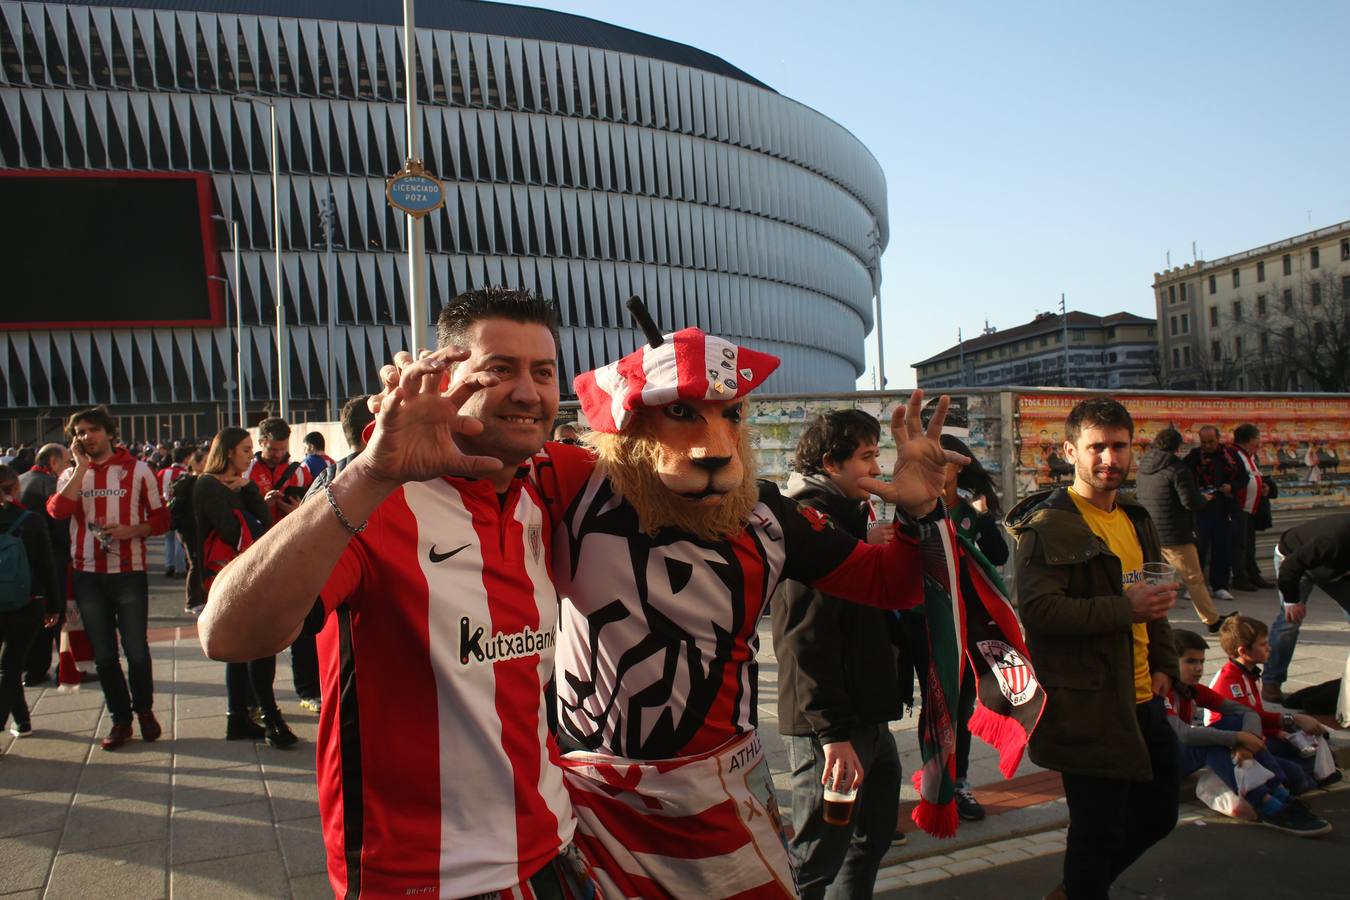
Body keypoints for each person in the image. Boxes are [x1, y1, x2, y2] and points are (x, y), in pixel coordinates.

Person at [201, 289, 598, 898]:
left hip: (551, 850)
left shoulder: (544, 487)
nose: (529, 392)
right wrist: (371, 471)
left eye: (542, 372)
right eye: (499, 369)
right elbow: (227, 634)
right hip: (420, 878)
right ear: (446, 381)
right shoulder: (377, 502)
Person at [1006, 397, 1181, 900]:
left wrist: (1165, 661)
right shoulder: (1048, 527)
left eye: (1119, 446)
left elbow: (1155, 601)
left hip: (1145, 696)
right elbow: (1039, 613)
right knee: (1095, 832)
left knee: (1159, 813)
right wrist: (1124, 608)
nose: (1110, 459)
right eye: (1097, 447)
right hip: (1091, 705)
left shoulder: (1135, 516)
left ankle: (1074, 892)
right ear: (1070, 451)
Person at [773, 409, 903, 898]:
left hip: (868, 716)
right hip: (830, 731)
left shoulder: (849, 517)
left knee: (868, 841)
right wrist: (832, 734)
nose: (877, 470)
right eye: (867, 458)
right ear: (831, 462)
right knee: (814, 857)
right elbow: (803, 639)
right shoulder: (807, 523)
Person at [47, 407, 169, 750]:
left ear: (110, 433)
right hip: (87, 574)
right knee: (103, 656)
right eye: (81, 432)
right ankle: (120, 720)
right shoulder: (72, 474)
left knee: (137, 650)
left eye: (93, 430)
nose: (87, 437)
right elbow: (58, 512)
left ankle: (144, 710)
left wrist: (133, 529)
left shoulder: (139, 470)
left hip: (129, 572)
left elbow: (161, 520)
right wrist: (81, 468)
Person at [1167, 629, 1329, 835]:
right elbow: (1185, 735)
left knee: (1234, 723)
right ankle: (1269, 806)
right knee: (1209, 743)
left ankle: (1280, 797)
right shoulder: (1161, 691)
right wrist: (1238, 738)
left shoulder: (1194, 688)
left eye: (1201, 662)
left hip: (1188, 751)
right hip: (1158, 763)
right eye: (1191, 662)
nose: (1198, 669)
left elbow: (1246, 713)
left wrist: (1247, 741)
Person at [196, 428, 296, 748]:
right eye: (244, 449)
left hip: (250, 573)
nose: (249, 455)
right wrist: (240, 496)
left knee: (248, 647)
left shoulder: (243, 485)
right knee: (256, 645)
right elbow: (230, 531)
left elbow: (265, 528)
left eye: (251, 449)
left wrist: (250, 489)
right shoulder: (207, 485)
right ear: (226, 452)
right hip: (227, 577)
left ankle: (239, 716)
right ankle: (267, 715)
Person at [1207, 615, 1338, 788]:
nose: (1269, 648)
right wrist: (1293, 718)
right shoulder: (1230, 681)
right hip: (1238, 745)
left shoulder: (1251, 673)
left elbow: (1259, 715)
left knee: (1311, 741)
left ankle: (1304, 771)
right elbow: (1248, 719)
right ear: (1243, 652)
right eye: (1263, 645)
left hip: (1258, 736)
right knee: (1298, 776)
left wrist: (1278, 731)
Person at [248, 417, 319, 713]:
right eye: (273, 449)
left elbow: (312, 509)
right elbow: (241, 517)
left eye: (283, 448)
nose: (279, 453)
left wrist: (296, 509)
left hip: (293, 553)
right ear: (261, 443)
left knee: (302, 628)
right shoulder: (249, 470)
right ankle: (258, 701)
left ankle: (307, 691)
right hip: (260, 556)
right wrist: (262, 507)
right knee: (260, 632)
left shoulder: (300, 471)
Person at [1135, 427, 1233, 634]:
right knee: (1194, 578)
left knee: (1157, 581)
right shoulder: (1177, 469)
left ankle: (1154, 621)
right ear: (1177, 447)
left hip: (1151, 532)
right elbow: (1190, 502)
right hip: (1175, 533)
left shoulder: (1143, 467)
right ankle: (1212, 620)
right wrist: (1203, 498)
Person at [1261, 513, 1350, 704]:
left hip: (1333, 570)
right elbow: (1290, 568)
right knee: (1289, 621)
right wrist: (1292, 601)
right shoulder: (1333, 540)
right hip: (1293, 560)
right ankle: (1271, 681)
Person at [0, 464, 60, 738]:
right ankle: (18, 721)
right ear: (15, 489)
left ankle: (22, 721)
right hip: (28, 600)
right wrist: (53, 605)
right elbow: (48, 566)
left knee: (7, 669)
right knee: (12, 665)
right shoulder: (31, 520)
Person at [18, 443, 70, 686]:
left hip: (20, 560)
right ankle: (65, 666)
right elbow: (61, 528)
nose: (68, 466)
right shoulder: (51, 485)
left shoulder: (20, 480)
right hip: (51, 557)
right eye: (66, 462)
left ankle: (32, 668)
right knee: (56, 611)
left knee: (33, 613)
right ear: (53, 462)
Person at [1184, 426, 1239, 601]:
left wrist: (1231, 487)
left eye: (1211, 442)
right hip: (1201, 509)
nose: (1207, 446)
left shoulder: (1229, 456)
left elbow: (1242, 478)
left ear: (1218, 439)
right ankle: (1195, 587)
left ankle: (1220, 586)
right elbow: (1183, 479)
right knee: (1198, 550)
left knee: (1221, 548)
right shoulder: (1194, 457)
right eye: (1204, 442)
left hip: (1223, 508)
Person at [1228, 424, 1271, 591]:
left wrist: (1265, 486)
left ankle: (1253, 574)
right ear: (1248, 440)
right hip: (1238, 508)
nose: (1259, 442)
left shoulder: (1250, 456)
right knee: (1239, 545)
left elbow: (1255, 477)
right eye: (1257, 438)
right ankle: (1240, 577)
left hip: (1251, 508)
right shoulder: (1234, 455)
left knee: (1249, 544)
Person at [159, 447, 193, 578]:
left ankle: (169, 565)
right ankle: (180, 568)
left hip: (164, 508)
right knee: (179, 539)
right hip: (179, 510)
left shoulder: (162, 472)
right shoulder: (185, 474)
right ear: (185, 459)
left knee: (168, 539)